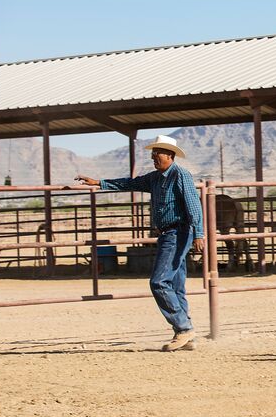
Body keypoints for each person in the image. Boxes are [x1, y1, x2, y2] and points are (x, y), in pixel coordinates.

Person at [77, 135, 203, 352]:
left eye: (158, 153)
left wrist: (199, 233)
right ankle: (185, 333)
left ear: (170, 155)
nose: (154, 157)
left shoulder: (180, 175)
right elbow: (130, 183)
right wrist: (99, 183)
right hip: (168, 234)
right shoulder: (155, 178)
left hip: (178, 232)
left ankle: (183, 328)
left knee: (159, 282)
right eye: (153, 153)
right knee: (175, 284)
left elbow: (194, 205)